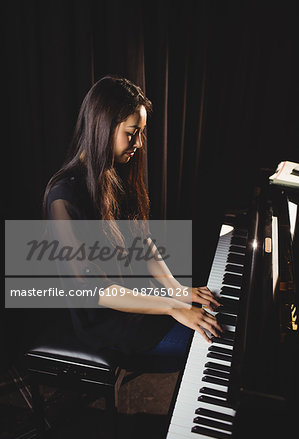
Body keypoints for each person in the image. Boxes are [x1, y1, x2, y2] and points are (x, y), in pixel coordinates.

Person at [43, 75, 222, 363]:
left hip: (138, 297)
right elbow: (93, 289)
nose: (138, 142)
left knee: (214, 318)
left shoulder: (117, 170)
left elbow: (143, 240)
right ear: (103, 127)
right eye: (131, 132)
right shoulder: (63, 195)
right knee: (210, 342)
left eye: (141, 132)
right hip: (104, 320)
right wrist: (173, 307)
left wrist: (176, 289)